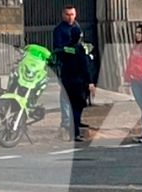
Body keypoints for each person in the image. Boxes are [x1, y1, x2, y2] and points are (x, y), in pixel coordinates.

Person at [57, 26, 96, 142]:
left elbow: (60, 60)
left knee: (71, 106)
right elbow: (84, 66)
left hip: (66, 81)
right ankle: (75, 132)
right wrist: (90, 81)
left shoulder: (65, 47)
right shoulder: (79, 49)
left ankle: (74, 127)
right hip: (77, 82)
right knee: (77, 107)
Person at [53, 4, 83, 139]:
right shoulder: (59, 30)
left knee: (79, 97)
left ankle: (76, 120)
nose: (70, 17)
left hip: (78, 67)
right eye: (68, 15)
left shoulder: (77, 27)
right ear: (63, 15)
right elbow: (57, 48)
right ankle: (66, 121)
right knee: (65, 95)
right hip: (65, 66)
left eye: (72, 14)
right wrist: (70, 49)